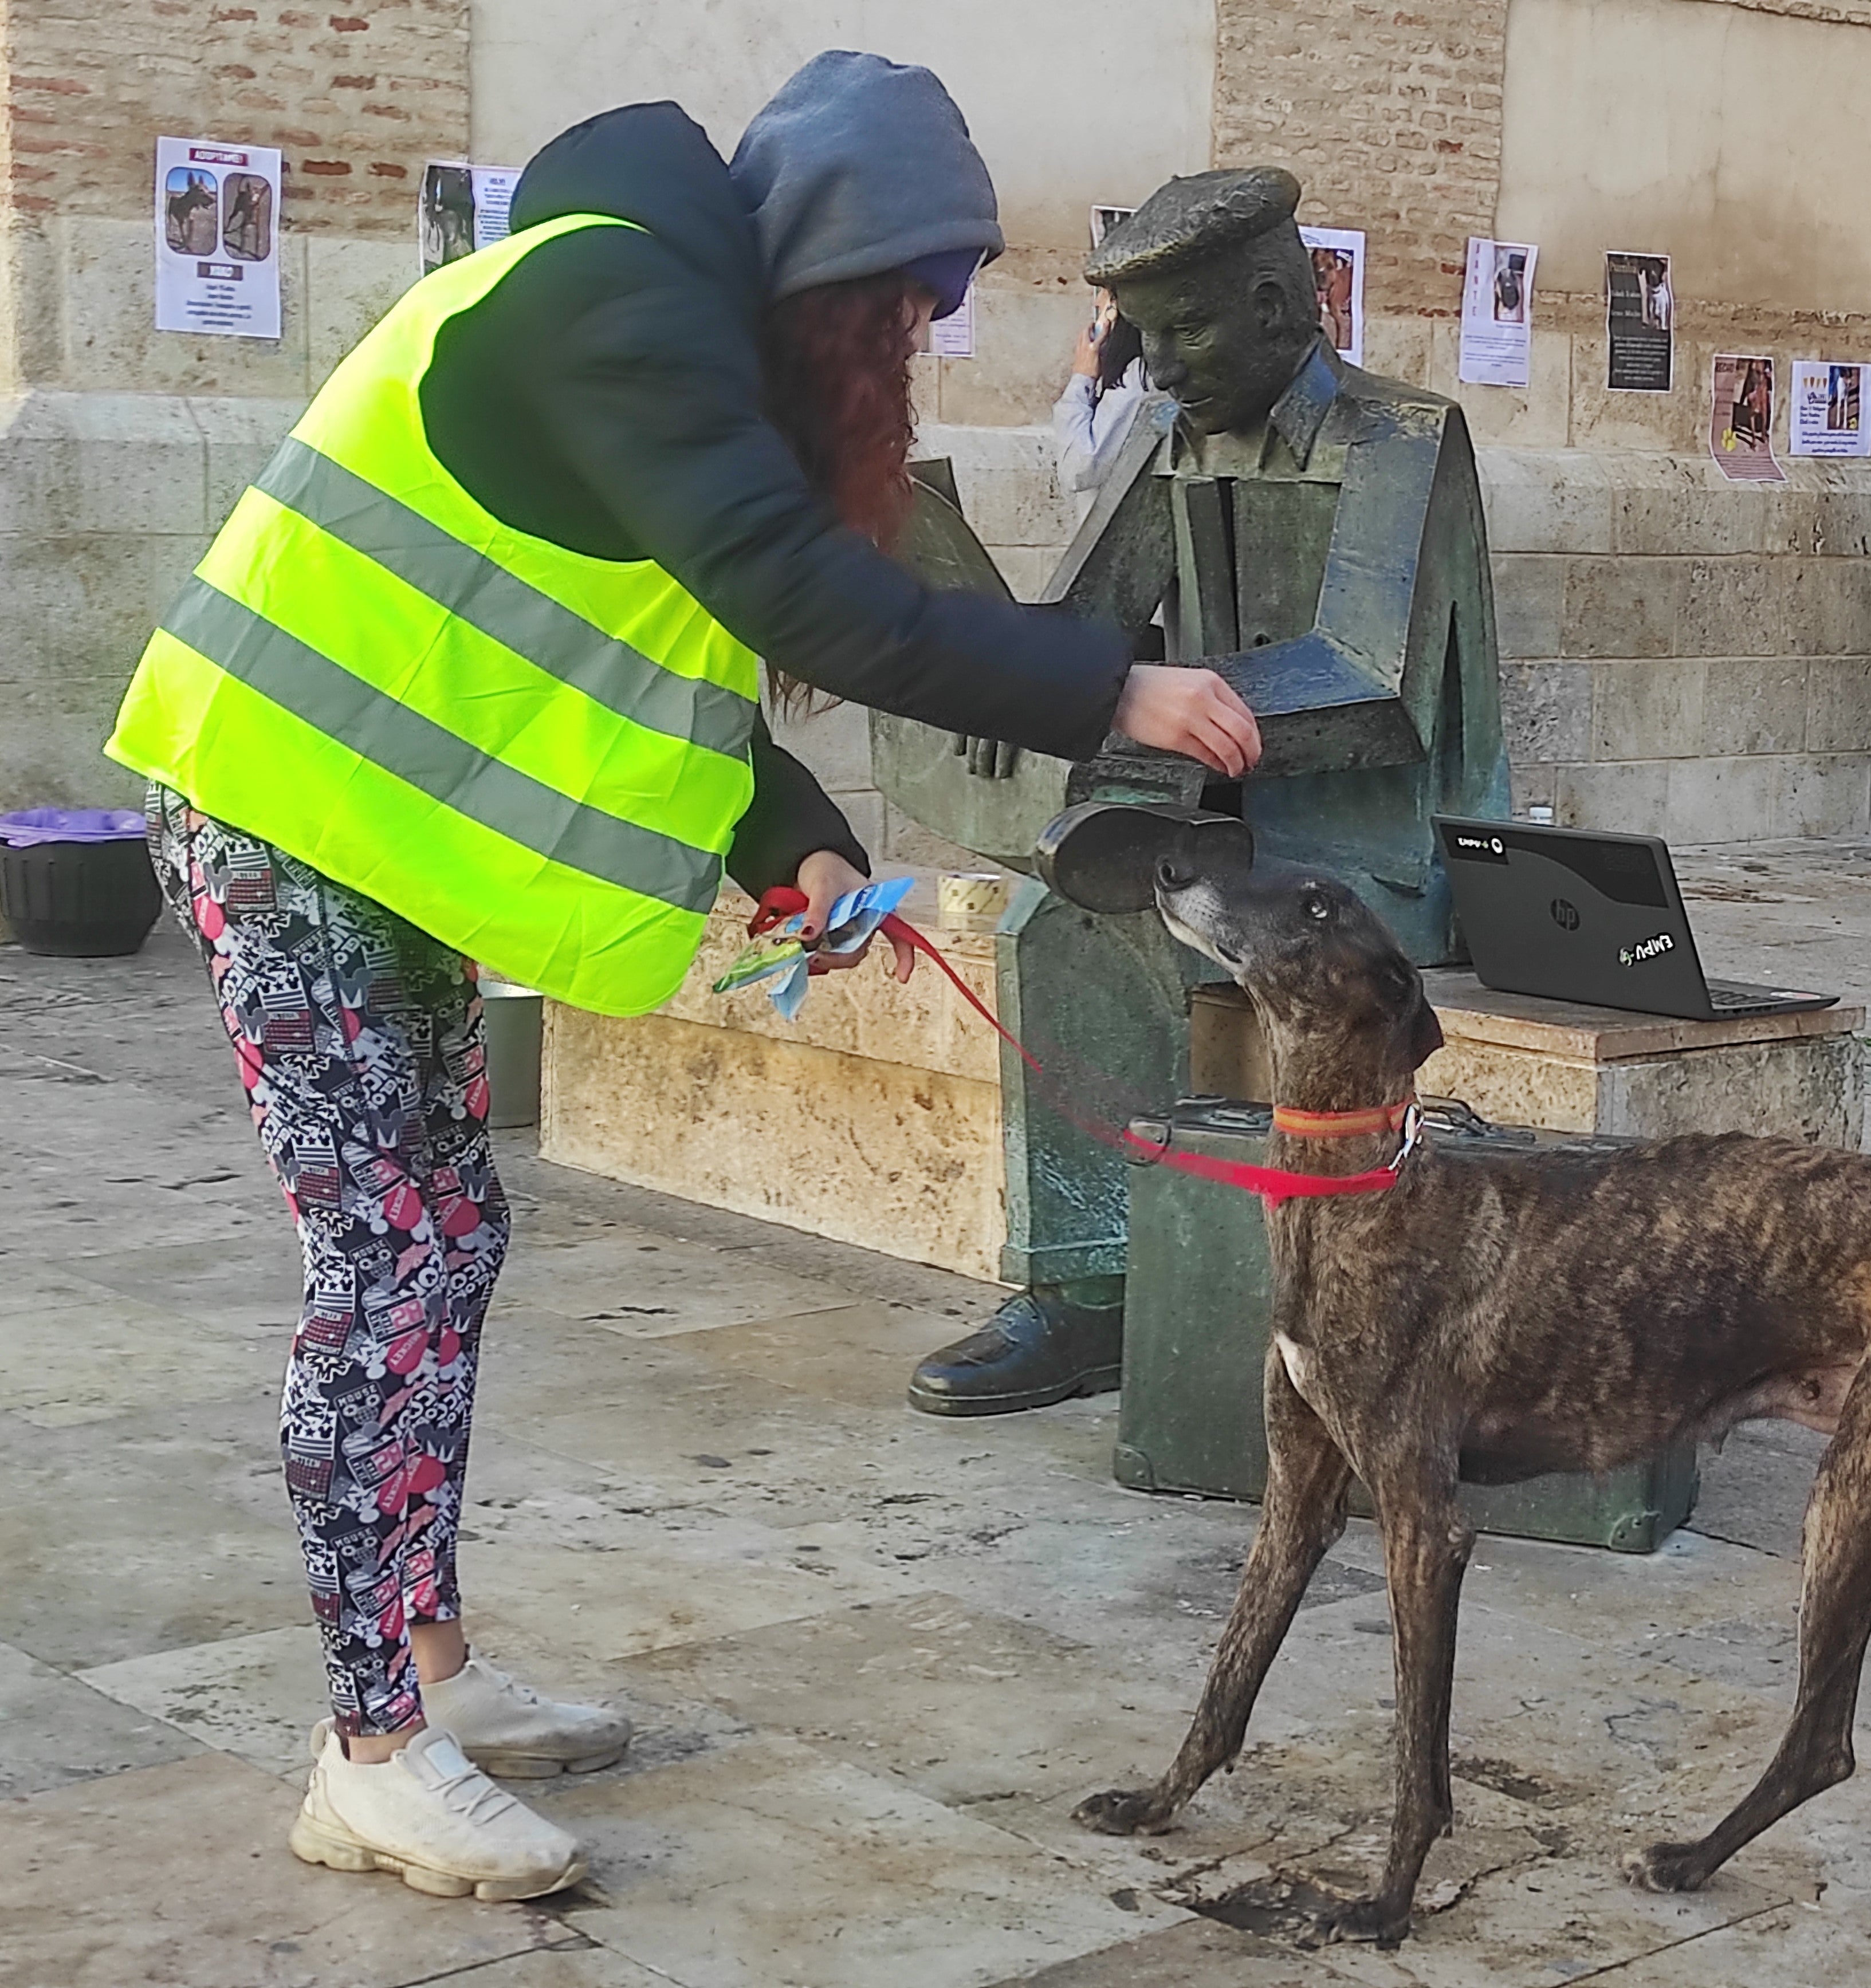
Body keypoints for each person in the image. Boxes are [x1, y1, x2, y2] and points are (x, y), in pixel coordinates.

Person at [103, 50, 1260, 1903]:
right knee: (385, 1264)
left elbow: (689, 664)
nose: (914, 346)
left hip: (364, 837)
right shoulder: (615, 295)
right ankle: (368, 1750)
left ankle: (430, 1669)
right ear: (833, 261)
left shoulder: (673, 333)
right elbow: (797, 595)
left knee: (443, 1241)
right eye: (905, 307)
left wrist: (802, 854)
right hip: (275, 812)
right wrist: (1106, 684)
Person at [901, 166, 1510, 1417]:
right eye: (1143, 339)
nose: (1160, 368)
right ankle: (1086, 1292)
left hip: (1374, 854)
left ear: (1277, 306)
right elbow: (1088, 622)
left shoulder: (1402, 439)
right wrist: (996, 672)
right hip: (1212, 835)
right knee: (1060, 910)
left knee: (1102, 907)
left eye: (1185, 331)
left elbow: (1370, 681)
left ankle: (1195, 1302)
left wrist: (1164, 718)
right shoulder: (1164, 437)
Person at [1052, 288, 1155, 499]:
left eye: (1105, 291)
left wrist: (1082, 378)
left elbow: (1078, 469)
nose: (1098, 301)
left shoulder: (1138, 378)